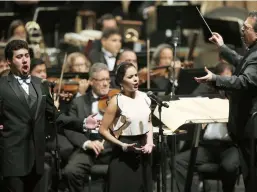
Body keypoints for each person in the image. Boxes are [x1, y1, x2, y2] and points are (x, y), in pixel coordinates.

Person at [0, 39, 98, 192]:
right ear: (9, 61)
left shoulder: (40, 84)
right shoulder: (2, 86)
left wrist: (83, 123)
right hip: (13, 158)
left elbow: (55, 116)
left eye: (26, 55)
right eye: (19, 57)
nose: (25, 60)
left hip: (37, 159)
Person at [195, 11, 257, 192]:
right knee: (256, 175)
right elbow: (243, 62)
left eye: (246, 27)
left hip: (255, 128)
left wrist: (215, 79)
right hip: (256, 127)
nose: (241, 30)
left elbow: (244, 81)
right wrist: (222, 47)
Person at [175, 62, 239, 192]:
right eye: (221, 79)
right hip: (208, 146)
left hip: (230, 146)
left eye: (228, 79)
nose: (224, 83)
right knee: (178, 161)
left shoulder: (237, 95)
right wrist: (211, 86)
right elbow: (193, 99)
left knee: (229, 166)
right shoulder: (208, 92)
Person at [99, 62, 154, 192]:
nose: (135, 79)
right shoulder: (116, 101)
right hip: (123, 151)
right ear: (121, 82)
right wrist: (122, 145)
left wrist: (150, 142)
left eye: (136, 75)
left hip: (143, 150)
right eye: (130, 77)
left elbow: (149, 122)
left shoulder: (145, 98)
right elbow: (102, 130)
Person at [63, 63, 113, 192]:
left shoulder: (117, 100)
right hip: (88, 148)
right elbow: (70, 127)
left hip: (112, 147)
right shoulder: (78, 102)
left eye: (108, 79)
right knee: (71, 171)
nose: (106, 84)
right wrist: (87, 143)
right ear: (91, 81)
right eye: (102, 80)